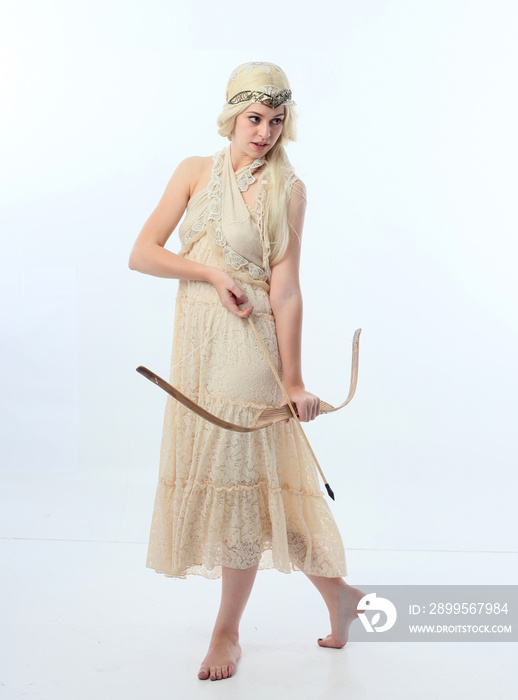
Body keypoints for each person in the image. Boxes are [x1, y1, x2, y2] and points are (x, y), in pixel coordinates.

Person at [128, 61, 364, 682]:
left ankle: (226, 633)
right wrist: (208, 272)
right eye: (254, 118)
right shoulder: (194, 172)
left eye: (276, 120)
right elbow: (143, 253)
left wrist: (292, 381)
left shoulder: (289, 188)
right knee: (260, 492)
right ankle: (340, 596)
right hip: (199, 345)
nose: (264, 131)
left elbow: (285, 291)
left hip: (250, 347)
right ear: (232, 114)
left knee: (239, 486)